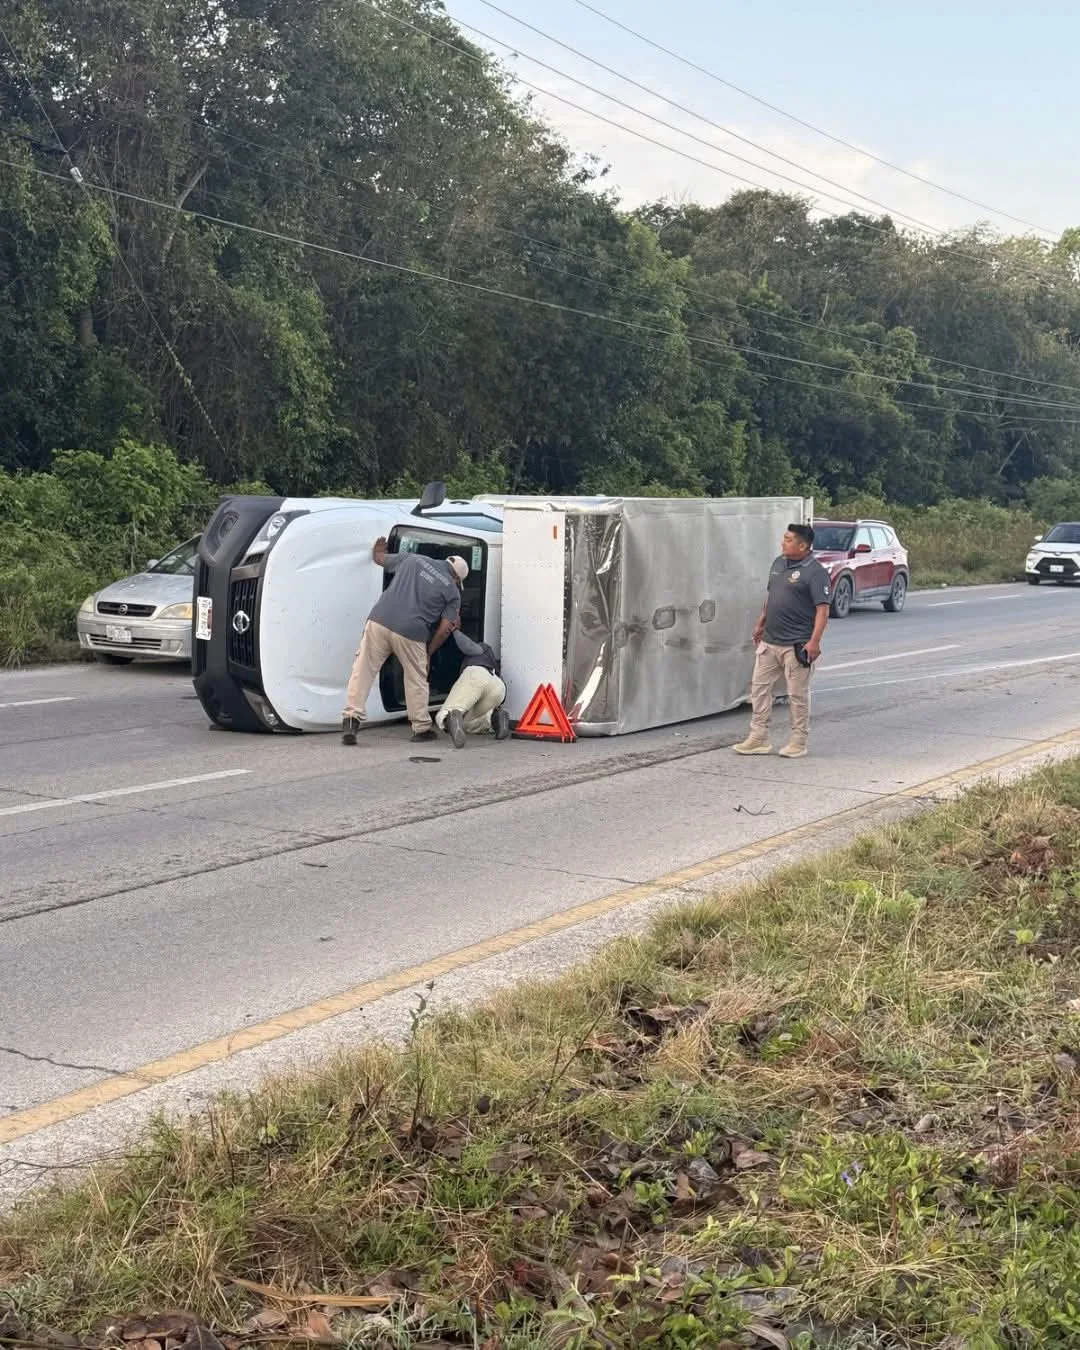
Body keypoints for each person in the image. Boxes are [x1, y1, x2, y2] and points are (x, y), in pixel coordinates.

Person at [341, 540, 468, 745]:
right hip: (412, 631)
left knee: (362, 669)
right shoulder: (452, 592)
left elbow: (379, 559)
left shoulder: (412, 559)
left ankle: (350, 721)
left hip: (379, 620)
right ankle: (421, 729)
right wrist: (429, 650)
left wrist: (379, 547)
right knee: (416, 678)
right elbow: (446, 628)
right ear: (456, 577)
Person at [733, 522, 830, 759]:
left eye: (788, 539)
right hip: (770, 640)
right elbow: (772, 596)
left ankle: (798, 741)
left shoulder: (815, 572)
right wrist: (761, 622)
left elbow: (822, 610)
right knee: (759, 689)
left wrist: (814, 642)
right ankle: (759, 737)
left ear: (803, 545)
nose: (783, 543)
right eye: (784, 538)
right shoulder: (778, 563)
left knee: (797, 694)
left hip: (796, 643)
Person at [436, 629, 511, 747]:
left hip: (476, 674)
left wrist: (454, 630)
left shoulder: (483, 648)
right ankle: (494, 719)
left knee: (447, 712)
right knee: (469, 722)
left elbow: (470, 647)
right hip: (498, 686)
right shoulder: (493, 662)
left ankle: (449, 720)